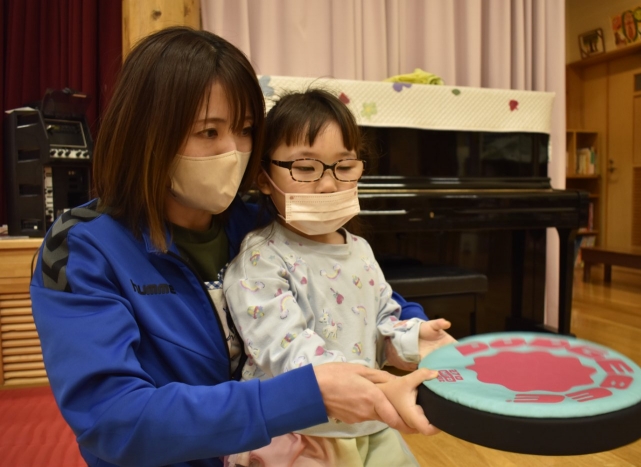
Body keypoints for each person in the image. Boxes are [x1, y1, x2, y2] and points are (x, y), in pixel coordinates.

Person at [29, 27, 441, 467]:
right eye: (209, 132)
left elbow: (354, 290)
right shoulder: (82, 245)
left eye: (245, 130)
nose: (235, 151)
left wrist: (414, 328)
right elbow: (114, 421)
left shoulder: (260, 221)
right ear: (147, 133)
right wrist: (304, 395)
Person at [222, 89, 456, 466]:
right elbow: (286, 349)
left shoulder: (360, 249)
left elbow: (383, 321)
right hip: (298, 433)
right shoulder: (261, 258)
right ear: (264, 178)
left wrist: (413, 338)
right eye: (306, 168)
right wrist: (380, 387)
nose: (329, 184)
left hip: (368, 423)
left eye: (344, 168)